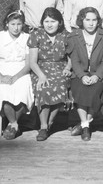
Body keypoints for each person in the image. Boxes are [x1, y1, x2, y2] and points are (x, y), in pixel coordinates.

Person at [0, 10, 33, 140]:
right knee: (5, 93)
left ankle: (12, 125)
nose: (16, 27)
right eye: (13, 24)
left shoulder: (26, 37)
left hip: (22, 71)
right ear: (7, 24)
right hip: (3, 69)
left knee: (23, 92)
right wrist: (1, 77)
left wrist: (16, 77)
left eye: (19, 24)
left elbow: (28, 64)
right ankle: (14, 124)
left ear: (23, 25)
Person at [67, 7, 103, 141]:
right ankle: (86, 126)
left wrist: (97, 76)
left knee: (95, 91)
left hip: (99, 74)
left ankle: (84, 125)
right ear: (81, 21)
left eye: (94, 20)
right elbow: (74, 60)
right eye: (87, 20)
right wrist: (82, 76)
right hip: (80, 74)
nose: (91, 23)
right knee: (80, 89)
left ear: (98, 21)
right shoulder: (74, 36)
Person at [28, 8, 71, 141]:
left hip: (60, 67)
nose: (49, 24)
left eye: (53, 21)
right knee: (44, 88)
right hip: (40, 68)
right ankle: (43, 126)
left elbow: (71, 57)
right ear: (42, 22)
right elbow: (32, 62)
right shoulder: (36, 34)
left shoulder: (66, 35)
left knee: (60, 85)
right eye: (46, 21)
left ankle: (50, 123)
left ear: (60, 22)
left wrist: (68, 67)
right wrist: (41, 75)